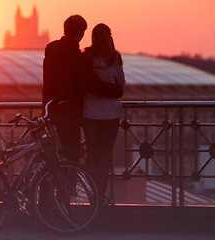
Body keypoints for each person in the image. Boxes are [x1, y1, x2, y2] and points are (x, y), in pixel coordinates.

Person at [42, 15, 123, 164]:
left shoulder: (51, 51)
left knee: (51, 160)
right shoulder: (77, 58)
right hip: (69, 115)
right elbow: (91, 84)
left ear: (64, 30)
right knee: (70, 158)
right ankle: (67, 188)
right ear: (82, 34)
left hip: (49, 113)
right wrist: (116, 91)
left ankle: (44, 187)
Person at [82, 23, 126, 198]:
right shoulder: (114, 57)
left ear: (92, 38)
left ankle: (90, 190)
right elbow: (121, 83)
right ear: (110, 37)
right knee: (105, 154)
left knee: (91, 152)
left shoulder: (85, 57)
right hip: (110, 114)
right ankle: (100, 192)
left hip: (89, 113)